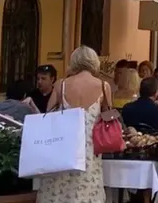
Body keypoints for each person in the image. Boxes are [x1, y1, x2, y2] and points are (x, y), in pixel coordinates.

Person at [35, 46, 109, 203]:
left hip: (64, 148)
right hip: (90, 151)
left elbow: (48, 115)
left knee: (60, 191)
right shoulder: (104, 86)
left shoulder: (61, 85)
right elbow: (108, 116)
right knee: (87, 190)